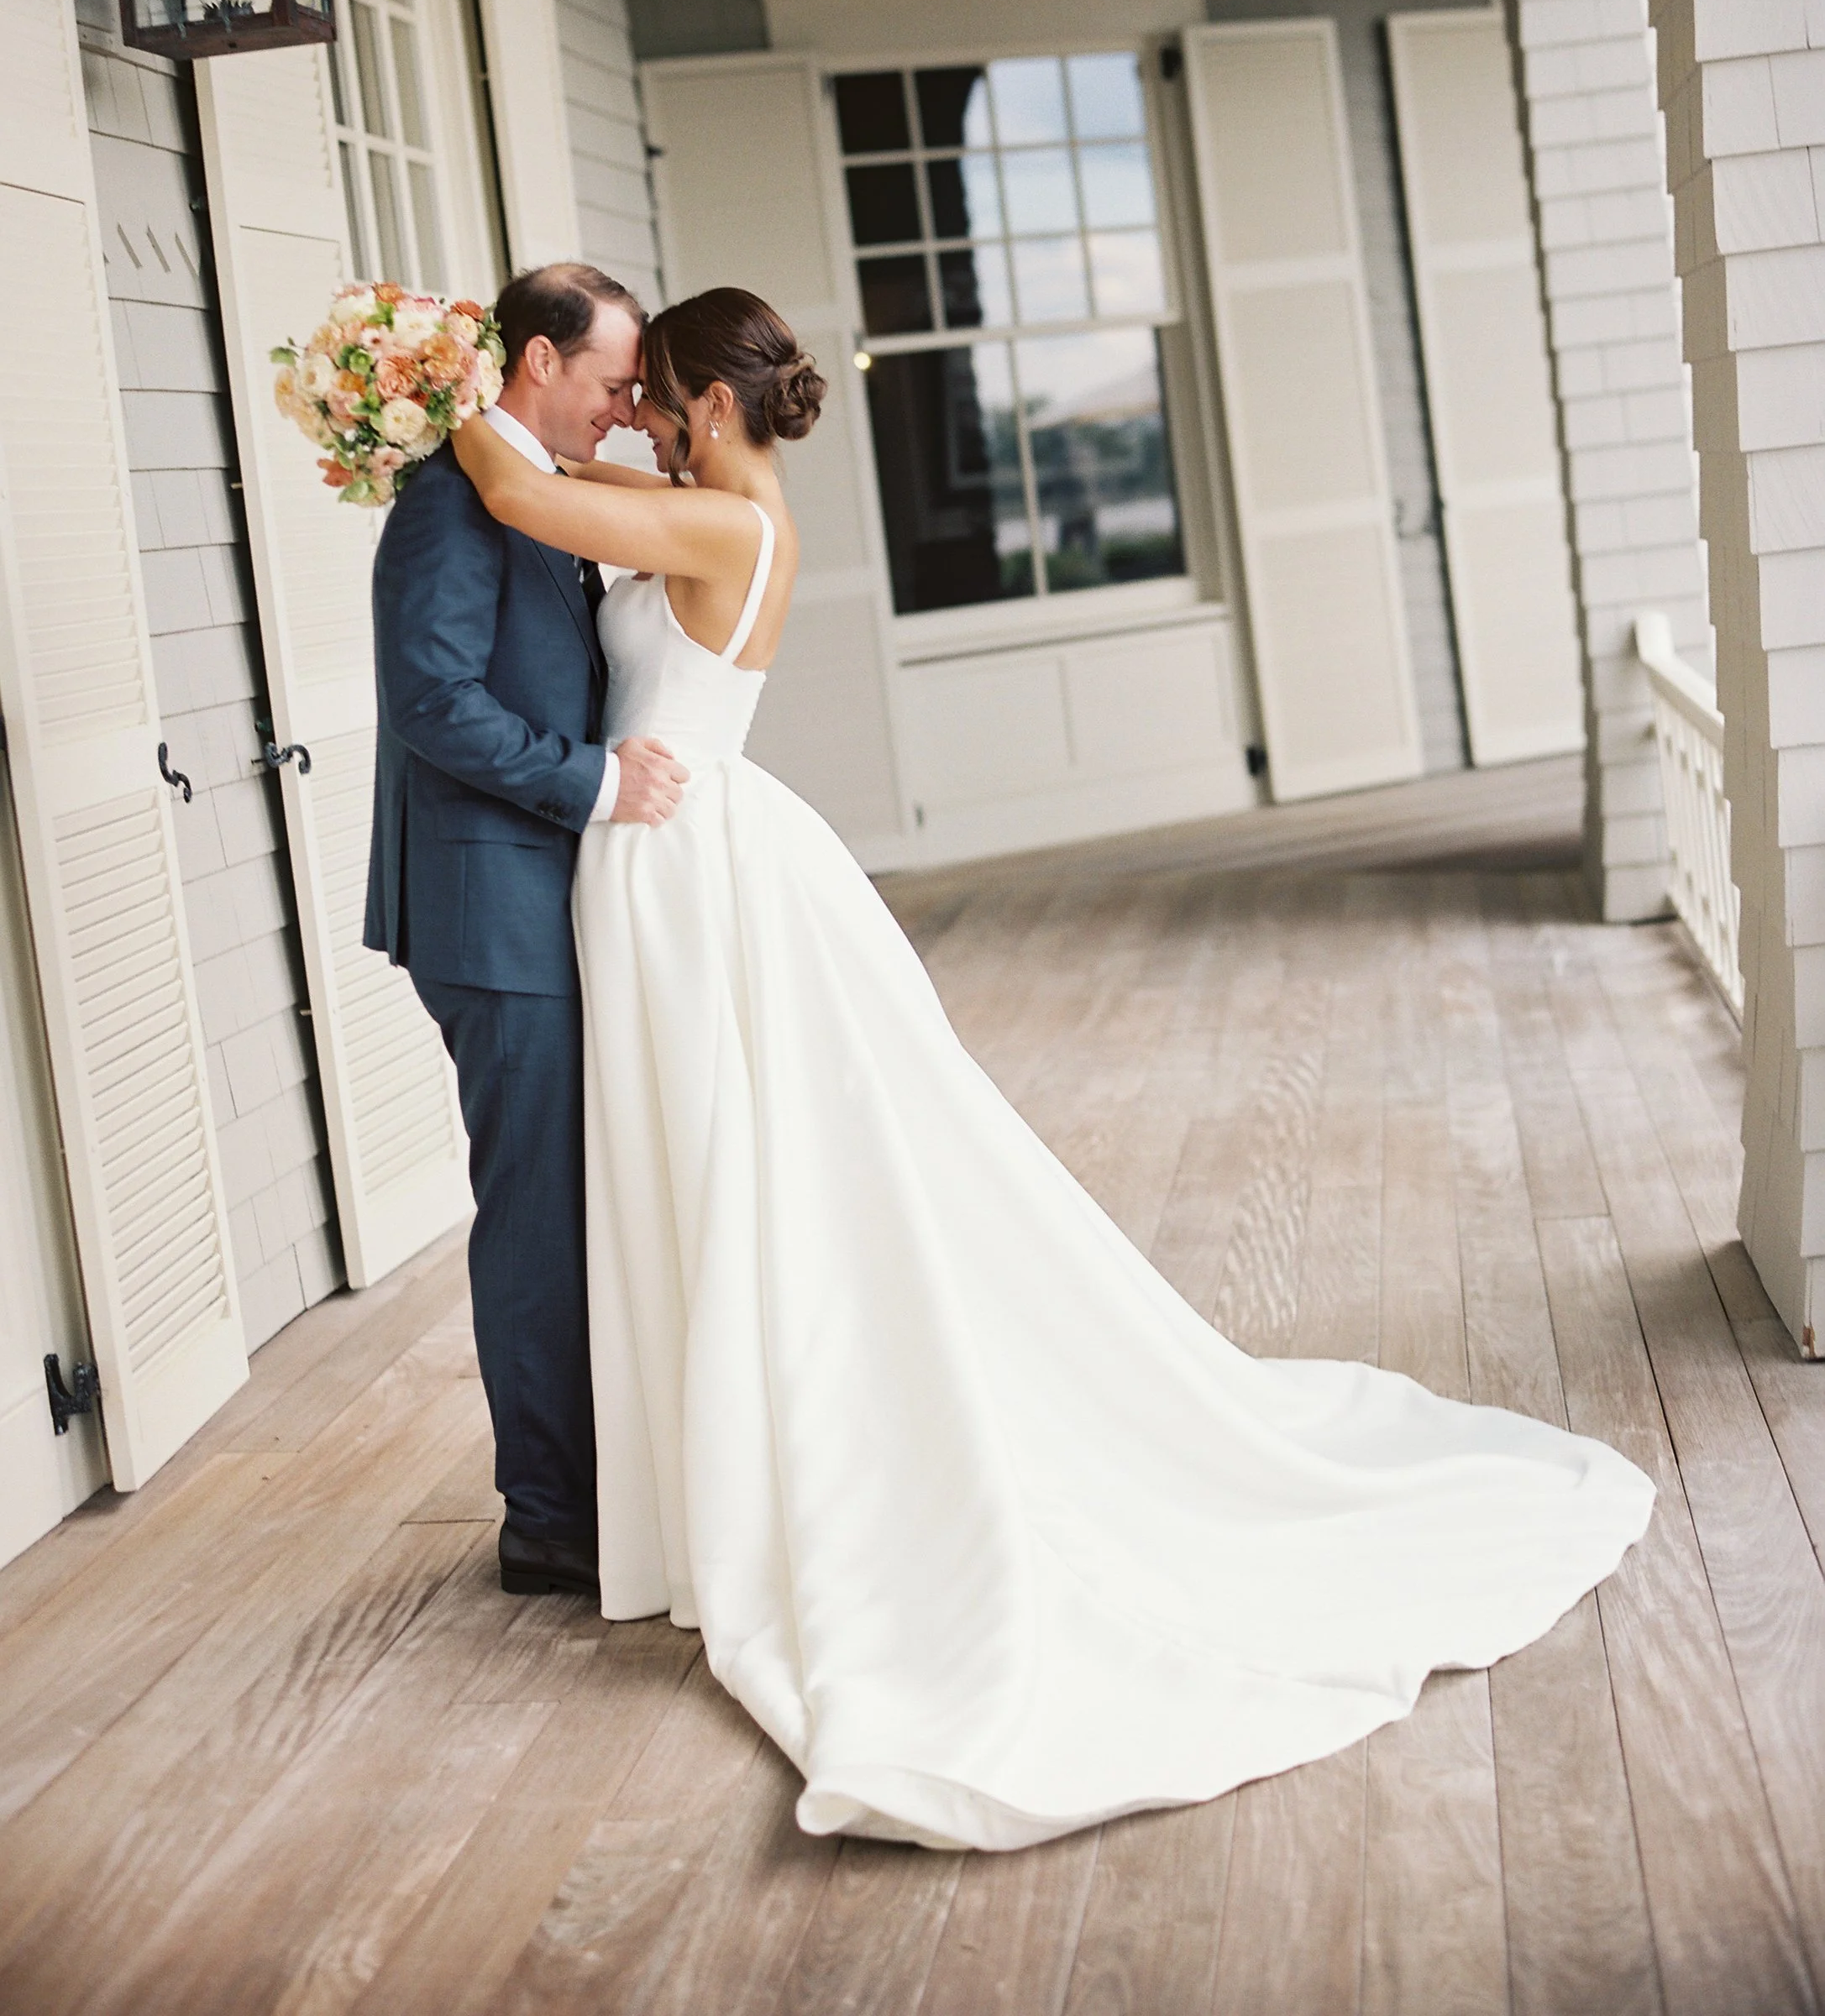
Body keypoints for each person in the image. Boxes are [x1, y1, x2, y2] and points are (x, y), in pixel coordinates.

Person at [448, 285, 1655, 1855]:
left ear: (718, 412)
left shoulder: (729, 532)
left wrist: (427, 384)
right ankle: (708, 1472)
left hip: (700, 873)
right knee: (706, 1161)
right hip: (675, 864)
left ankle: (784, 1473)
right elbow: (576, 485)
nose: (643, 422)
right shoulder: (696, 500)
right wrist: (556, 414)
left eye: (660, 400)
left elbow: (525, 491)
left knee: (750, 1162)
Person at [364, 262, 684, 1602]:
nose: (621, 409)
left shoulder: (532, 489)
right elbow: (435, 703)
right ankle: (549, 1517)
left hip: (544, 904)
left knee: (579, 1198)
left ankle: (596, 1481)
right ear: (540, 360)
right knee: (540, 1216)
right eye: (612, 382)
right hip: (491, 913)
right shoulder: (451, 502)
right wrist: (601, 783)